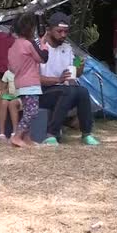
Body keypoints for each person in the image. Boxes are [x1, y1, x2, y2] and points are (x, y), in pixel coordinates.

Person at [39, 12, 100, 146]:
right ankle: (51, 134)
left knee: (82, 91)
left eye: (66, 31)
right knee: (69, 91)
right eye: (59, 31)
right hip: (42, 92)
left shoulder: (67, 48)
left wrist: (80, 66)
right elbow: (35, 78)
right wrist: (58, 80)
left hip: (63, 90)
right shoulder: (39, 47)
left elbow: (75, 73)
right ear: (48, 30)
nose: (63, 35)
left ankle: (86, 134)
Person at [7, 13, 49, 148]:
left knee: (27, 111)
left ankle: (27, 138)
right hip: (31, 83)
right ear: (30, 29)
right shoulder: (28, 44)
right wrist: (43, 44)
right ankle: (17, 136)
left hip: (20, 83)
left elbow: (11, 68)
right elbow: (43, 58)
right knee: (32, 111)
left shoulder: (13, 47)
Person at [0, 70, 22, 141]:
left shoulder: (23, 71)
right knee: (3, 103)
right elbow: (3, 87)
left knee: (12, 103)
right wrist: (3, 94)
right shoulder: (7, 73)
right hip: (10, 95)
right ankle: (1, 134)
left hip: (21, 96)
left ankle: (14, 132)